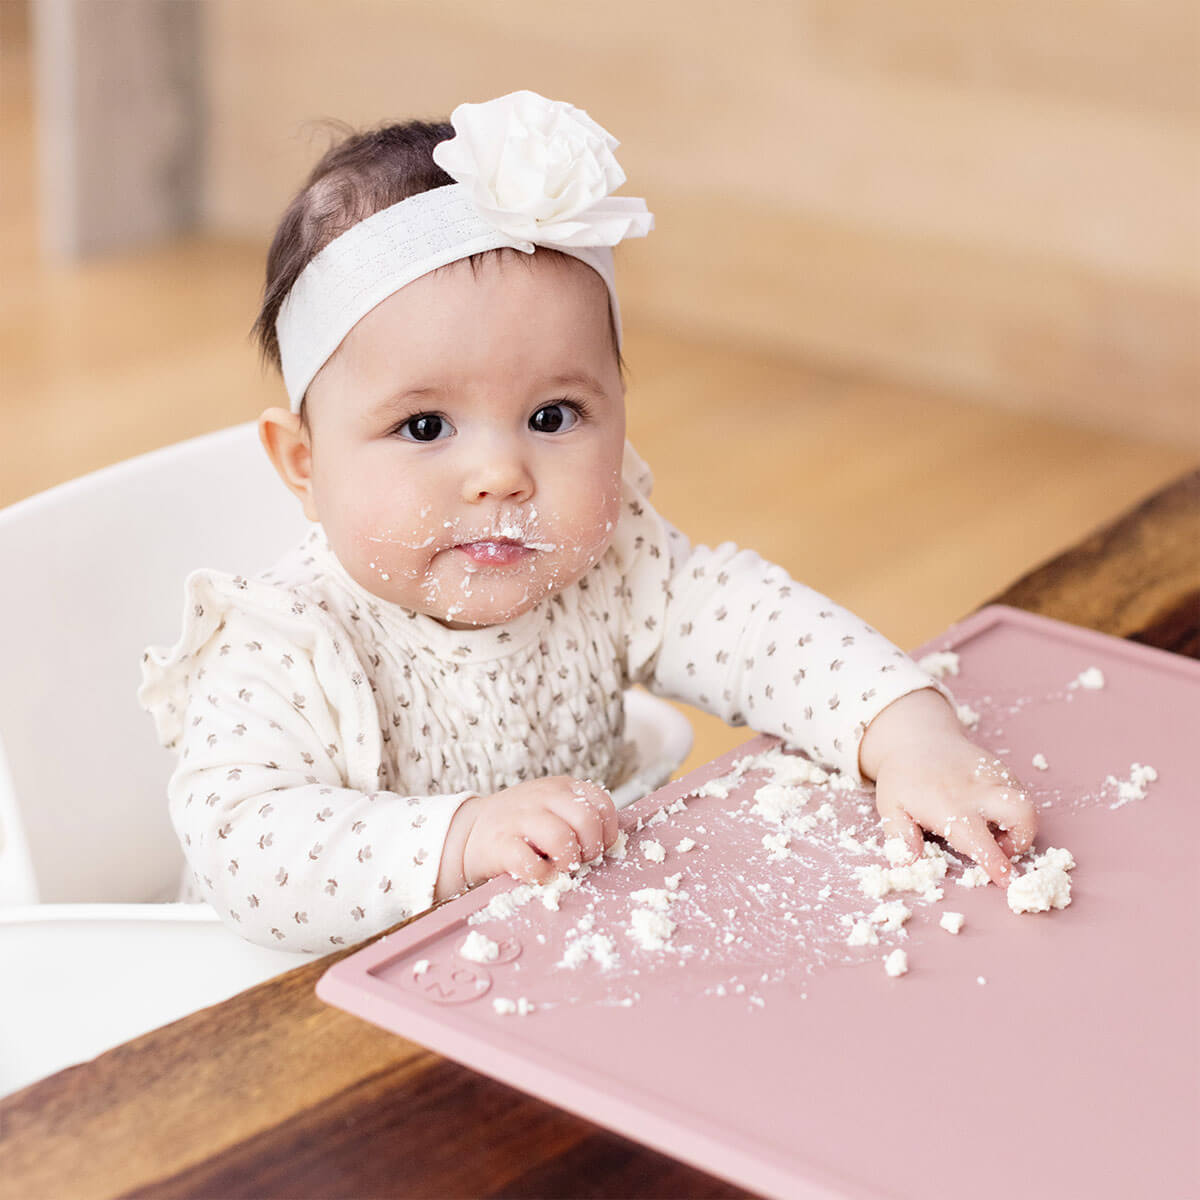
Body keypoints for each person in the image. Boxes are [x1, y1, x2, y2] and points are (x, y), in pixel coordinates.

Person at [139, 90, 1035, 954]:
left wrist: (907, 732)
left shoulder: (607, 567)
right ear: (304, 464)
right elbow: (242, 850)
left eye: (552, 415)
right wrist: (461, 839)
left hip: (529, 967)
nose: (501, 475)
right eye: (425, 427)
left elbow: (760, 630)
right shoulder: (284, 644)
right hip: (292, 1001)